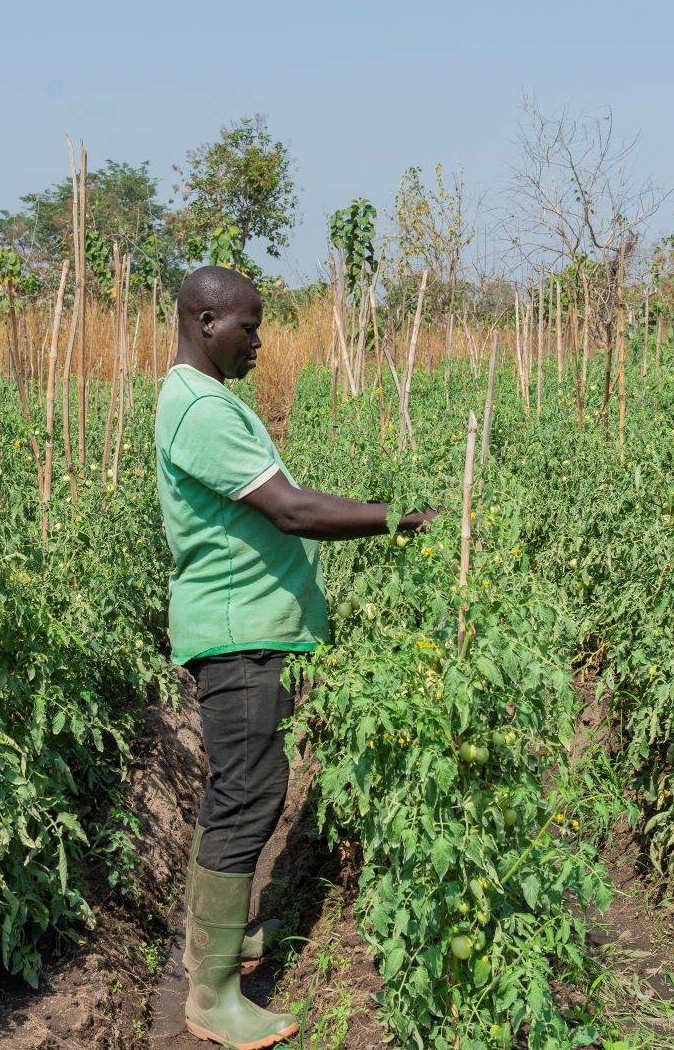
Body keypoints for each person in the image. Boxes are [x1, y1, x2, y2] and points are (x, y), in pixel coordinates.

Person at [155, 264, 435, 1048]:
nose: (260, 340)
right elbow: (290, 509)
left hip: (248, 626)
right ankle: (210, 994)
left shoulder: (206, 399)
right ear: (206, 323)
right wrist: (397, 518)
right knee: (248, 794)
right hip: (238, 632)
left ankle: (219, 940)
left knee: (245, 788)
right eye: (249, 325)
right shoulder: (200, 408)